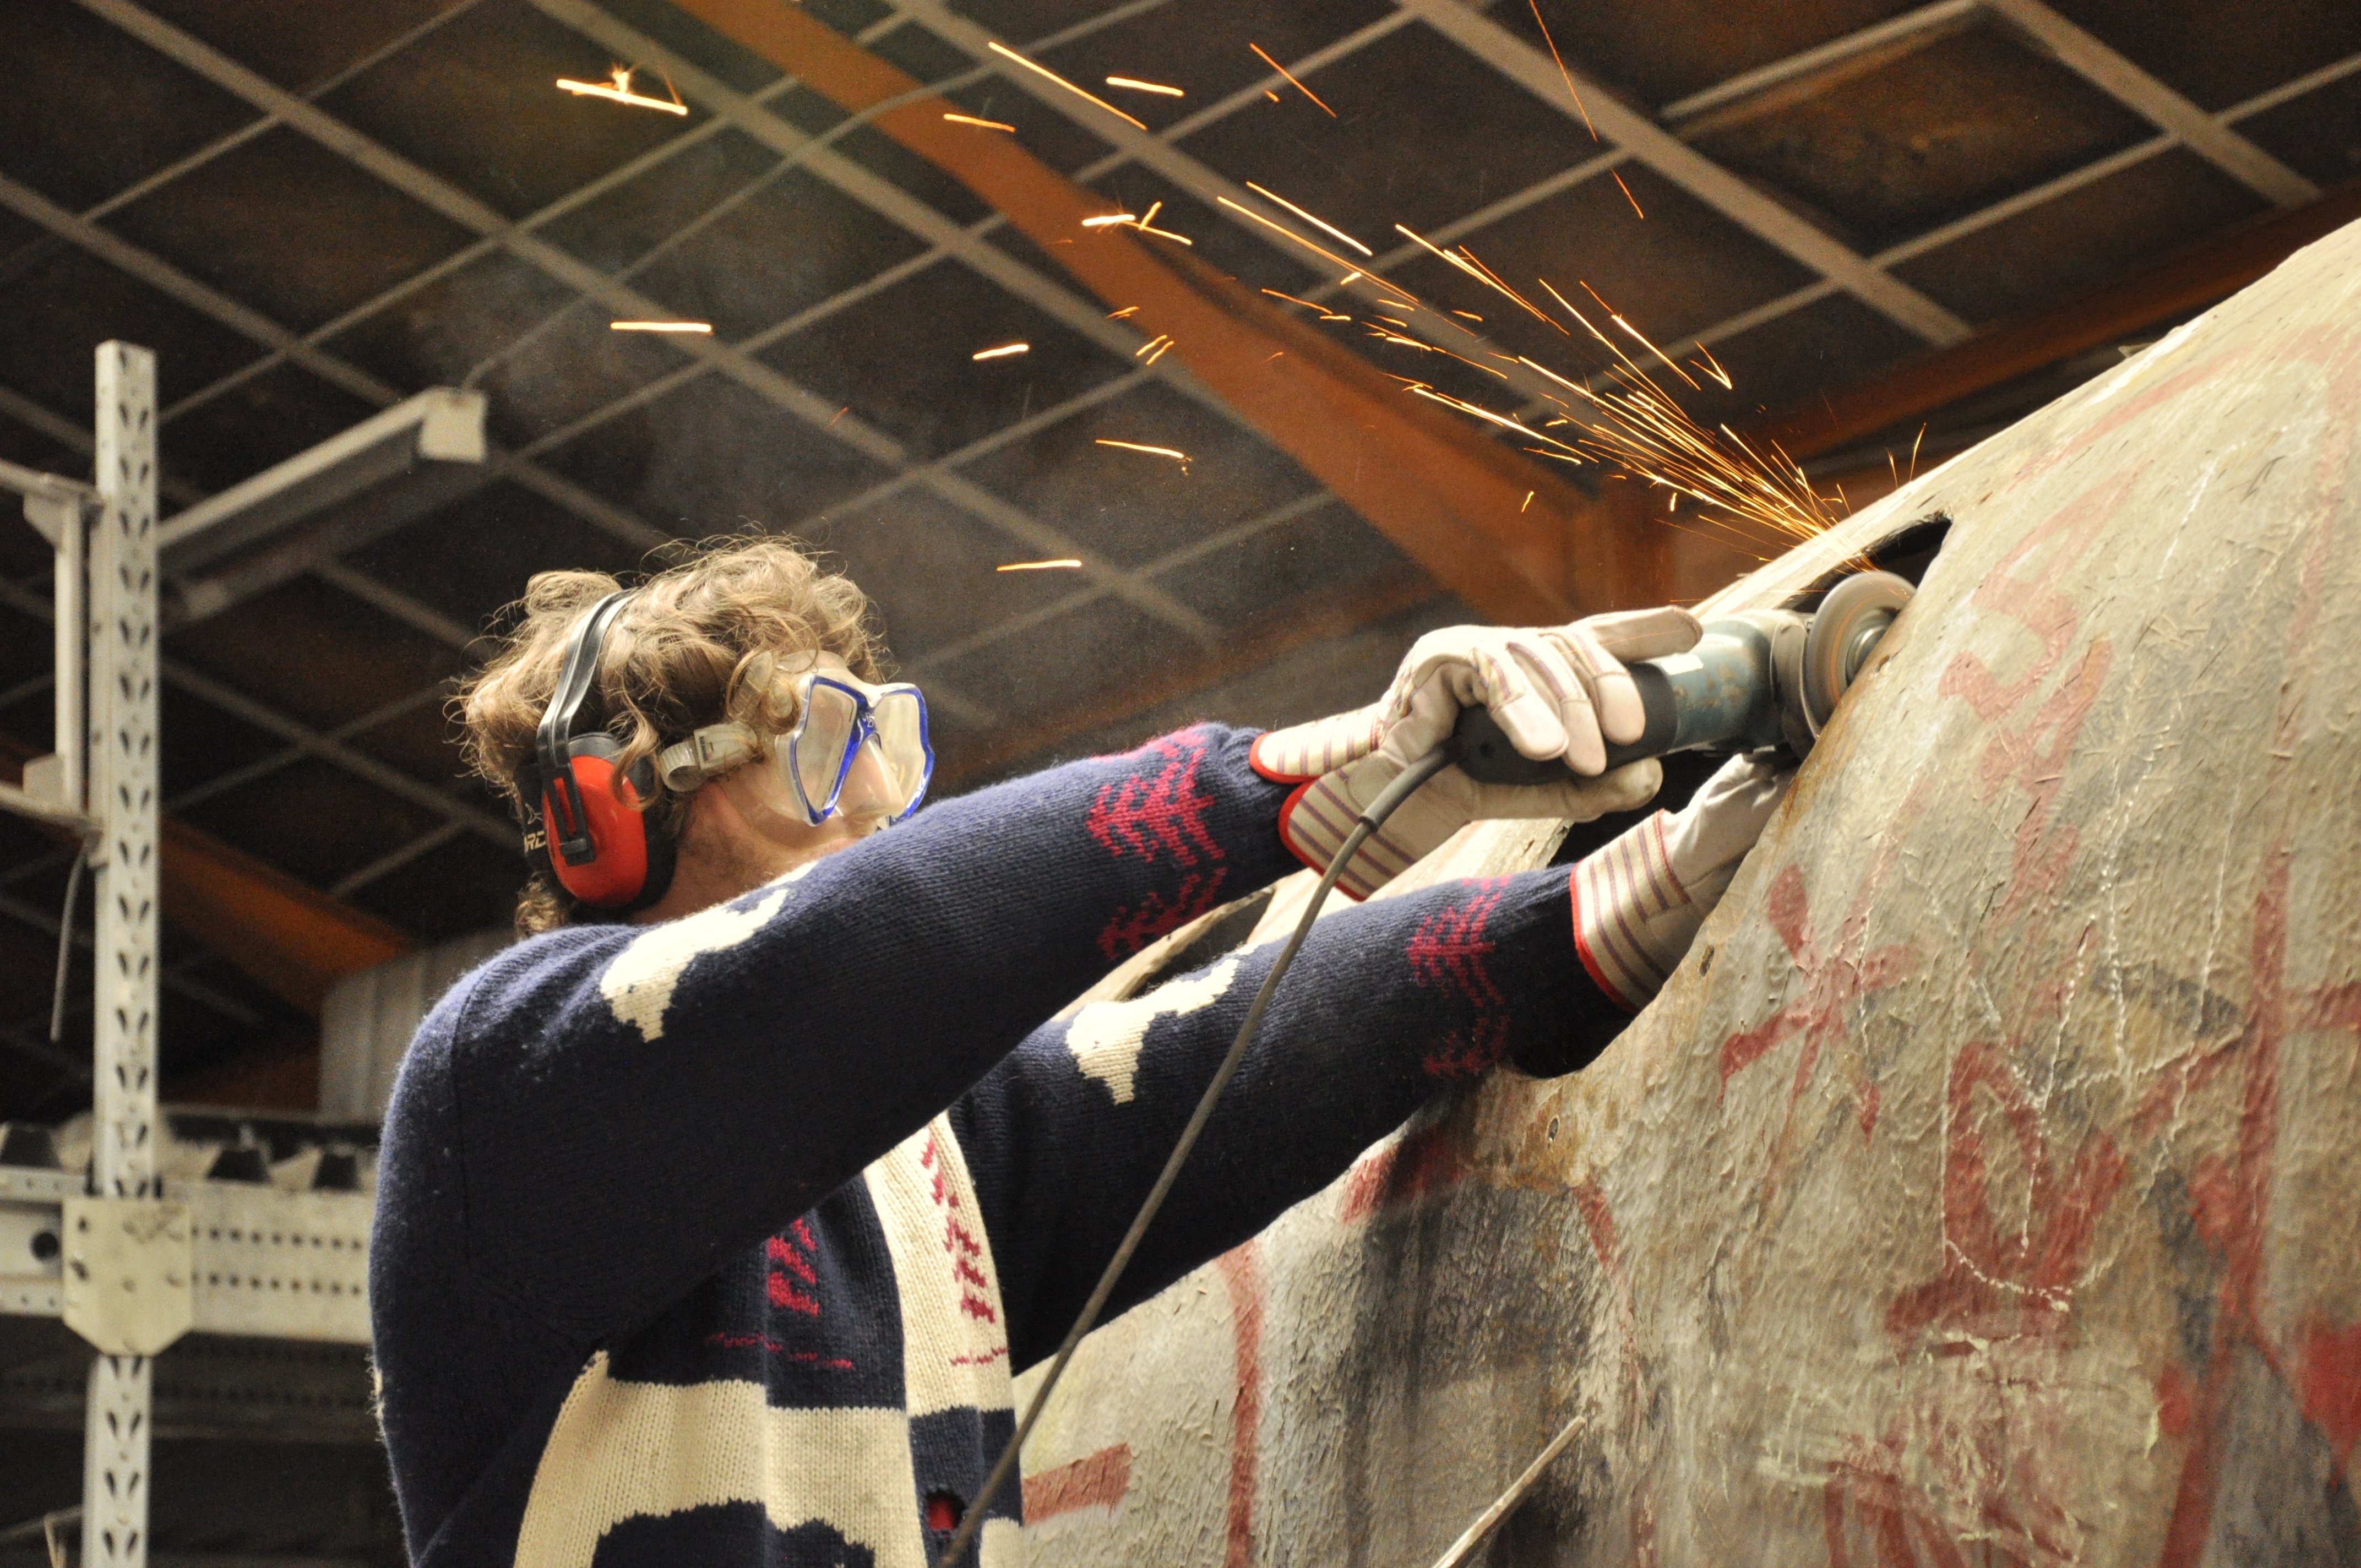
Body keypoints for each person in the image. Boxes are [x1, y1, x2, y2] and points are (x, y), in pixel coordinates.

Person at [370, 536, 1791, 1568]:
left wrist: (1590, 919)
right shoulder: (504, 1095)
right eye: (810, 752)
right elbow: (851, 951)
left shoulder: (933, 1163)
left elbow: (1217, 1052)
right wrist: (1286, 783)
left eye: (888, 751)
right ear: (612, 826)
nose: (871, 808)